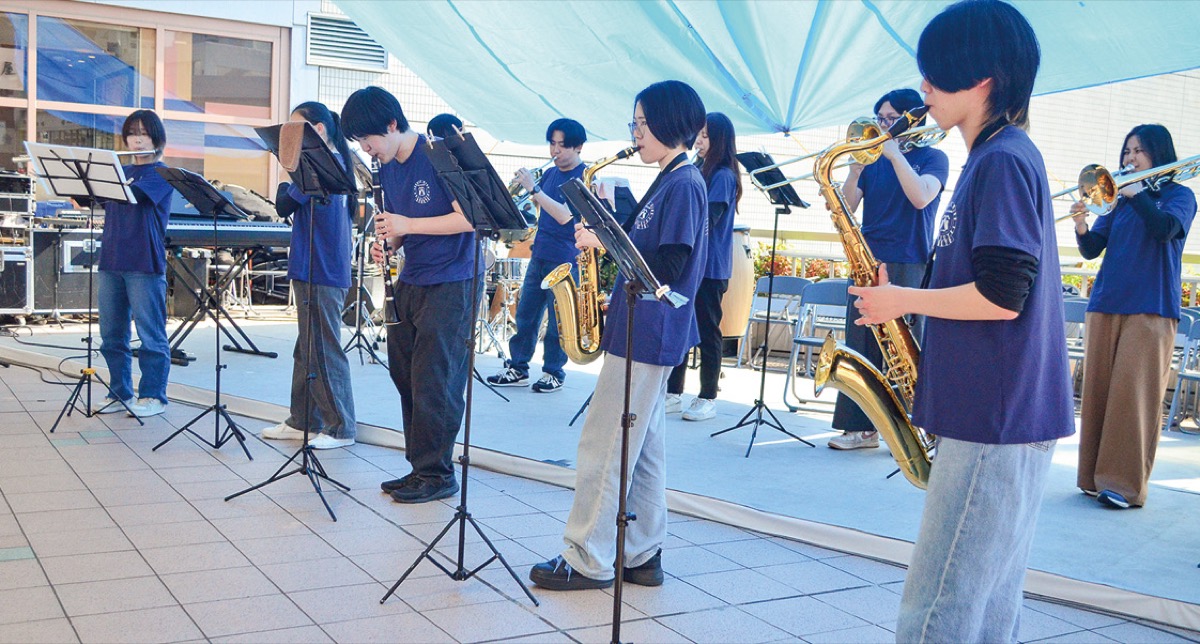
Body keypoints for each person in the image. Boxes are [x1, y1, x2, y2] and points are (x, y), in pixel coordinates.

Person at [848, 1, 1073, 641]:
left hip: (992, 414)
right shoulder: (996, 155)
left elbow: (1003, 296)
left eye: (936, 73)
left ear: (983, 80)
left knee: (940, 606)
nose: (924, 87)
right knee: (987, 606)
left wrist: (902, 301)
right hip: (1003, 412)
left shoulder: (1000, 160)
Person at [529, 80, 707, 591]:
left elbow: (668, 266)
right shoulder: (672, 178)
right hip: (646, 327)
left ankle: (587, 557)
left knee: (604, 445)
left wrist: (603, 240)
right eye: (635, 124)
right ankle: (642, 553)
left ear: (671, 123)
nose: (635, 133)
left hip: (651, 331)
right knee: (643, 449)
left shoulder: (683, 183)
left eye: (642, 123)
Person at [342, 86, 478, 504]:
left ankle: (438, 474)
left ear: (391, 124)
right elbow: (399, 226)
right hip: (413, 278)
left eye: (368, 139)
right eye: (359, 143)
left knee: (436, 380)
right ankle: (420, 467)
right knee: (406, 375)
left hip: (452, 279)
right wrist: (390, 243)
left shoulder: (437, 155)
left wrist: (407, 226)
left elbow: (470, 218)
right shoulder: (386, 169)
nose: (366, 149)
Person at [1072, 124, 1197, 509]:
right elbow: (1093, 249)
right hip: (1106, 301)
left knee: (1133, 396)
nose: (1130, 158)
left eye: (1139, 150)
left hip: (1150, 306)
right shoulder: (1119, 201)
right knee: (1098, 393)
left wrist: (1138, 194)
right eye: (1127, 151)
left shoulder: (1180, 196)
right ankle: (1092, 478)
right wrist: (1081, 225)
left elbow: (1164, 230)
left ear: (1159, 153)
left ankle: (1123, 486)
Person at [828, 89, 949, 450]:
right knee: (860, 342)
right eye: (880, 118)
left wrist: (895, 155)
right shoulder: (872, 158)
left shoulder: (934, 158)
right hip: (867, 258)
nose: (882, 125)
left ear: (911, 119)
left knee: (905, 346)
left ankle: (915, 429)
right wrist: (854, 173)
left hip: (909, 260)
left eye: (890, 118)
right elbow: (848, 207)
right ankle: (860, 428)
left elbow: (921, 197)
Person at [260, 101, 358, 450]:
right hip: (314, 265)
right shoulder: (334, 163)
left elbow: (283, 203)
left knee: (324, 349)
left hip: (322, 268)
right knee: (306, 349)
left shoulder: (320, 166)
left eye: (295, 128)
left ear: (317, 130)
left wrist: (286, 169)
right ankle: (302, 420)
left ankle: (340, 426)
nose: (289, 134)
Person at [487, 118, 588, 393]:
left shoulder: (583, 177)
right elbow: (540, 208)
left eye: (562, 145)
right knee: (526, 315)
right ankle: (518, 367)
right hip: (540, 252)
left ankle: (554, 372)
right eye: (552, 144)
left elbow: (566, 216)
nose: (555, 151)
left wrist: (534, 189)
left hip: (565, 258)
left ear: (578, 146)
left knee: (558, 323)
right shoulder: (550, 173)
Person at [97, 110, 174, 418]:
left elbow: (134, 195)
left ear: (156, 138)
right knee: (111, 335)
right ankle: (119, 393)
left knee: (150, 335)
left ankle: (154, 396)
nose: (137, 139)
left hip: (144, 262)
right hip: (111, 259)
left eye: (143, 133)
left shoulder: (162, 173)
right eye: (131, 133)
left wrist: (105, 178)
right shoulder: (120, 170)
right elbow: (94, 198)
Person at [665, 112, 741, 421]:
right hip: (692, 265)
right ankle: (673, 392)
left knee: (708, 332)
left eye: (706, 135)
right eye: (698, 133)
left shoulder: (722, 175)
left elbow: (708, 219)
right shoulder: (696, 168)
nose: (698, 140)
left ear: (720, 139)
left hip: (710, 267)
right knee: (681, 327)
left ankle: (708, 396)